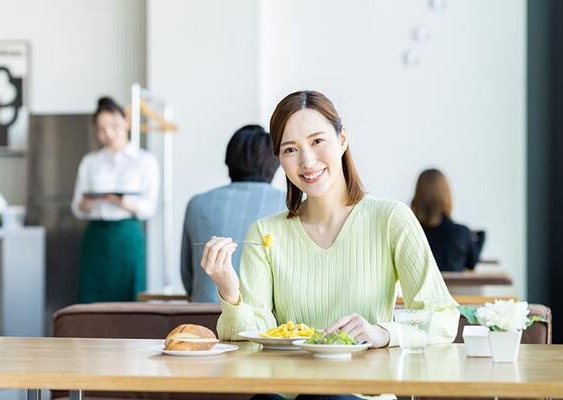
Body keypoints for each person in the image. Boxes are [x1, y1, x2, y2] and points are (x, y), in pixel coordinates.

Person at [200, 90, 459, 353]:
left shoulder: (392, 219)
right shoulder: (264, 232)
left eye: (317, 141)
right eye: (290, 149)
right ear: (279, 159)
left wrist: (382, 332)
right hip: (289, 390)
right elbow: (250, 341)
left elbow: (443, 319)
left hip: (361, 391)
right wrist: (230, 293)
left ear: (342, 139)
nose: (307, 161)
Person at [181, 124, 285, 303]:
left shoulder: (197, 204)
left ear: (228, 161)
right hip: (267, 324)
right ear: (276, 163)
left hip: (202, 315)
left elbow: (188, 277)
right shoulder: (291, 205)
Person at [71, 96, 160, 303]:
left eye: (113, 126)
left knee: (129, 295)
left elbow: (149, 208)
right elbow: (76, 207)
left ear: (126, 122)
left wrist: (120, 201)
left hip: (127, 236)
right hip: (96, 236)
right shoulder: (90, 161)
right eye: (101, 129)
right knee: (91, 297)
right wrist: (88, 202)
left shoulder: (144, 160)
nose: (108, 134)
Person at [411, 168, 485, 272]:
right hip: (455, 289)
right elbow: (472, 263)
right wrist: (482, 236)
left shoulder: (411, 233)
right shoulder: (461, 233)